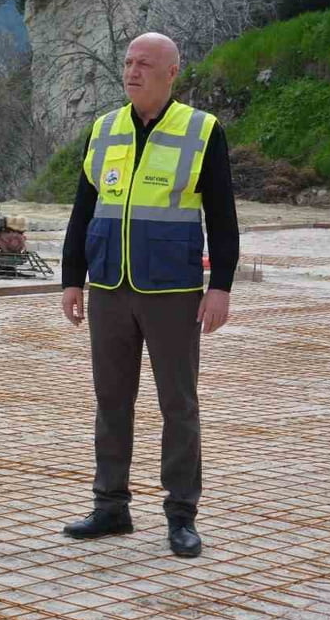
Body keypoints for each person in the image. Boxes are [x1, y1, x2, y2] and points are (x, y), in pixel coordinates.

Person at [59, 32, 238, 558]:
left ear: (171, 73)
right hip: (110, 288)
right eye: (128, 62)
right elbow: (82, 212)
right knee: (112, 403)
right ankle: (110, 505)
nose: (132, 71)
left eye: (145, 64)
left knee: (177, 405)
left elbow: (223, 218)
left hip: (174, 291)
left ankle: (181, 515)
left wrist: (220, 287)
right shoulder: (104, 129)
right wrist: (73, 278)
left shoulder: (202, 131)